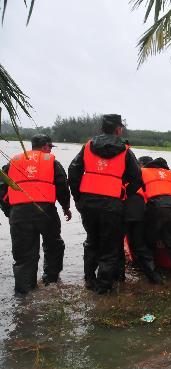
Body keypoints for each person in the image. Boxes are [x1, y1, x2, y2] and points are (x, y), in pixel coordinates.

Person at [68, 114, 142, 294]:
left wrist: (78, 197)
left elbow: (73, 171)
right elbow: (137, 179)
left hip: (88, 203)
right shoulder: (125, 151)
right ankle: (103, 287)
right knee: (109, 246)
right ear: (118, 129)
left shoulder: (87, 146)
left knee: (92, 241)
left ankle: (89, 279)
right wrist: (123, 193)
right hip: (112, 204)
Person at [0, 135, 71, 294]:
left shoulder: (13, 161)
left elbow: (1, 189)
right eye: (50, 147)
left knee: (23, 256)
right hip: (45, 212)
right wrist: (66, 207)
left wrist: (9, 211)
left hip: (18, 213)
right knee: (53, 245)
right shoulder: (52, 161)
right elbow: (62, 187)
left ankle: (24, 294)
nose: (50, 150)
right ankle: (50, 280)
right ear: (46, 146)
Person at [123, 155, 163, 284]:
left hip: (127, 213)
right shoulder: (147, 177)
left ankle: (120, 277)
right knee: (141, 245)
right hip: (142, 213)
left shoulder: (127, 175)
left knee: (125, 245)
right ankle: (154, 276)